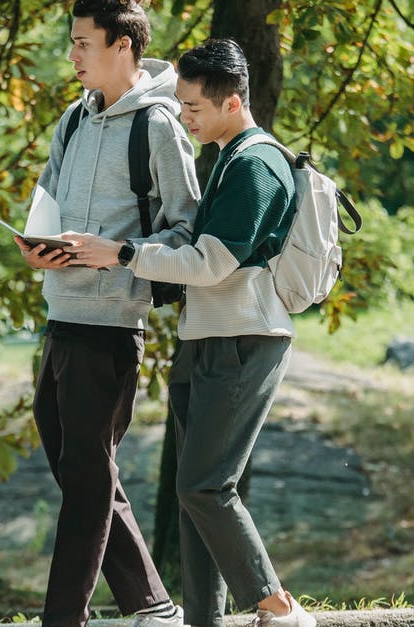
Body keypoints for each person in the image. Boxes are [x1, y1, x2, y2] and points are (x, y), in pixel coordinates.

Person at [65, 39, 318, 627]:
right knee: (190, 492)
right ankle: (204, 618)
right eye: (181, 104)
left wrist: (123, 253)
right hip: (207, 337)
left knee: (207, 485)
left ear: (232, 103)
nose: (184, 117)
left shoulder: (257, 164)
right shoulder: (229, 156)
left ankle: (277, 605)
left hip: (244, 340)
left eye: (195, 108)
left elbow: (209, 263)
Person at [14, 2, 200, 627]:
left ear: (123, 46)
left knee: (87, 474)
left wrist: (121, 254)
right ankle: (153, 603)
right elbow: (48, 203)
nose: (71, 54)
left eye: (82, 44)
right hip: (61, 312)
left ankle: (62, 617)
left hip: (114, 321)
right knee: (80, 468)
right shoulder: (72, 120)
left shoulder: (159, 126)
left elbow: (188, 233)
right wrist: (40, 248)